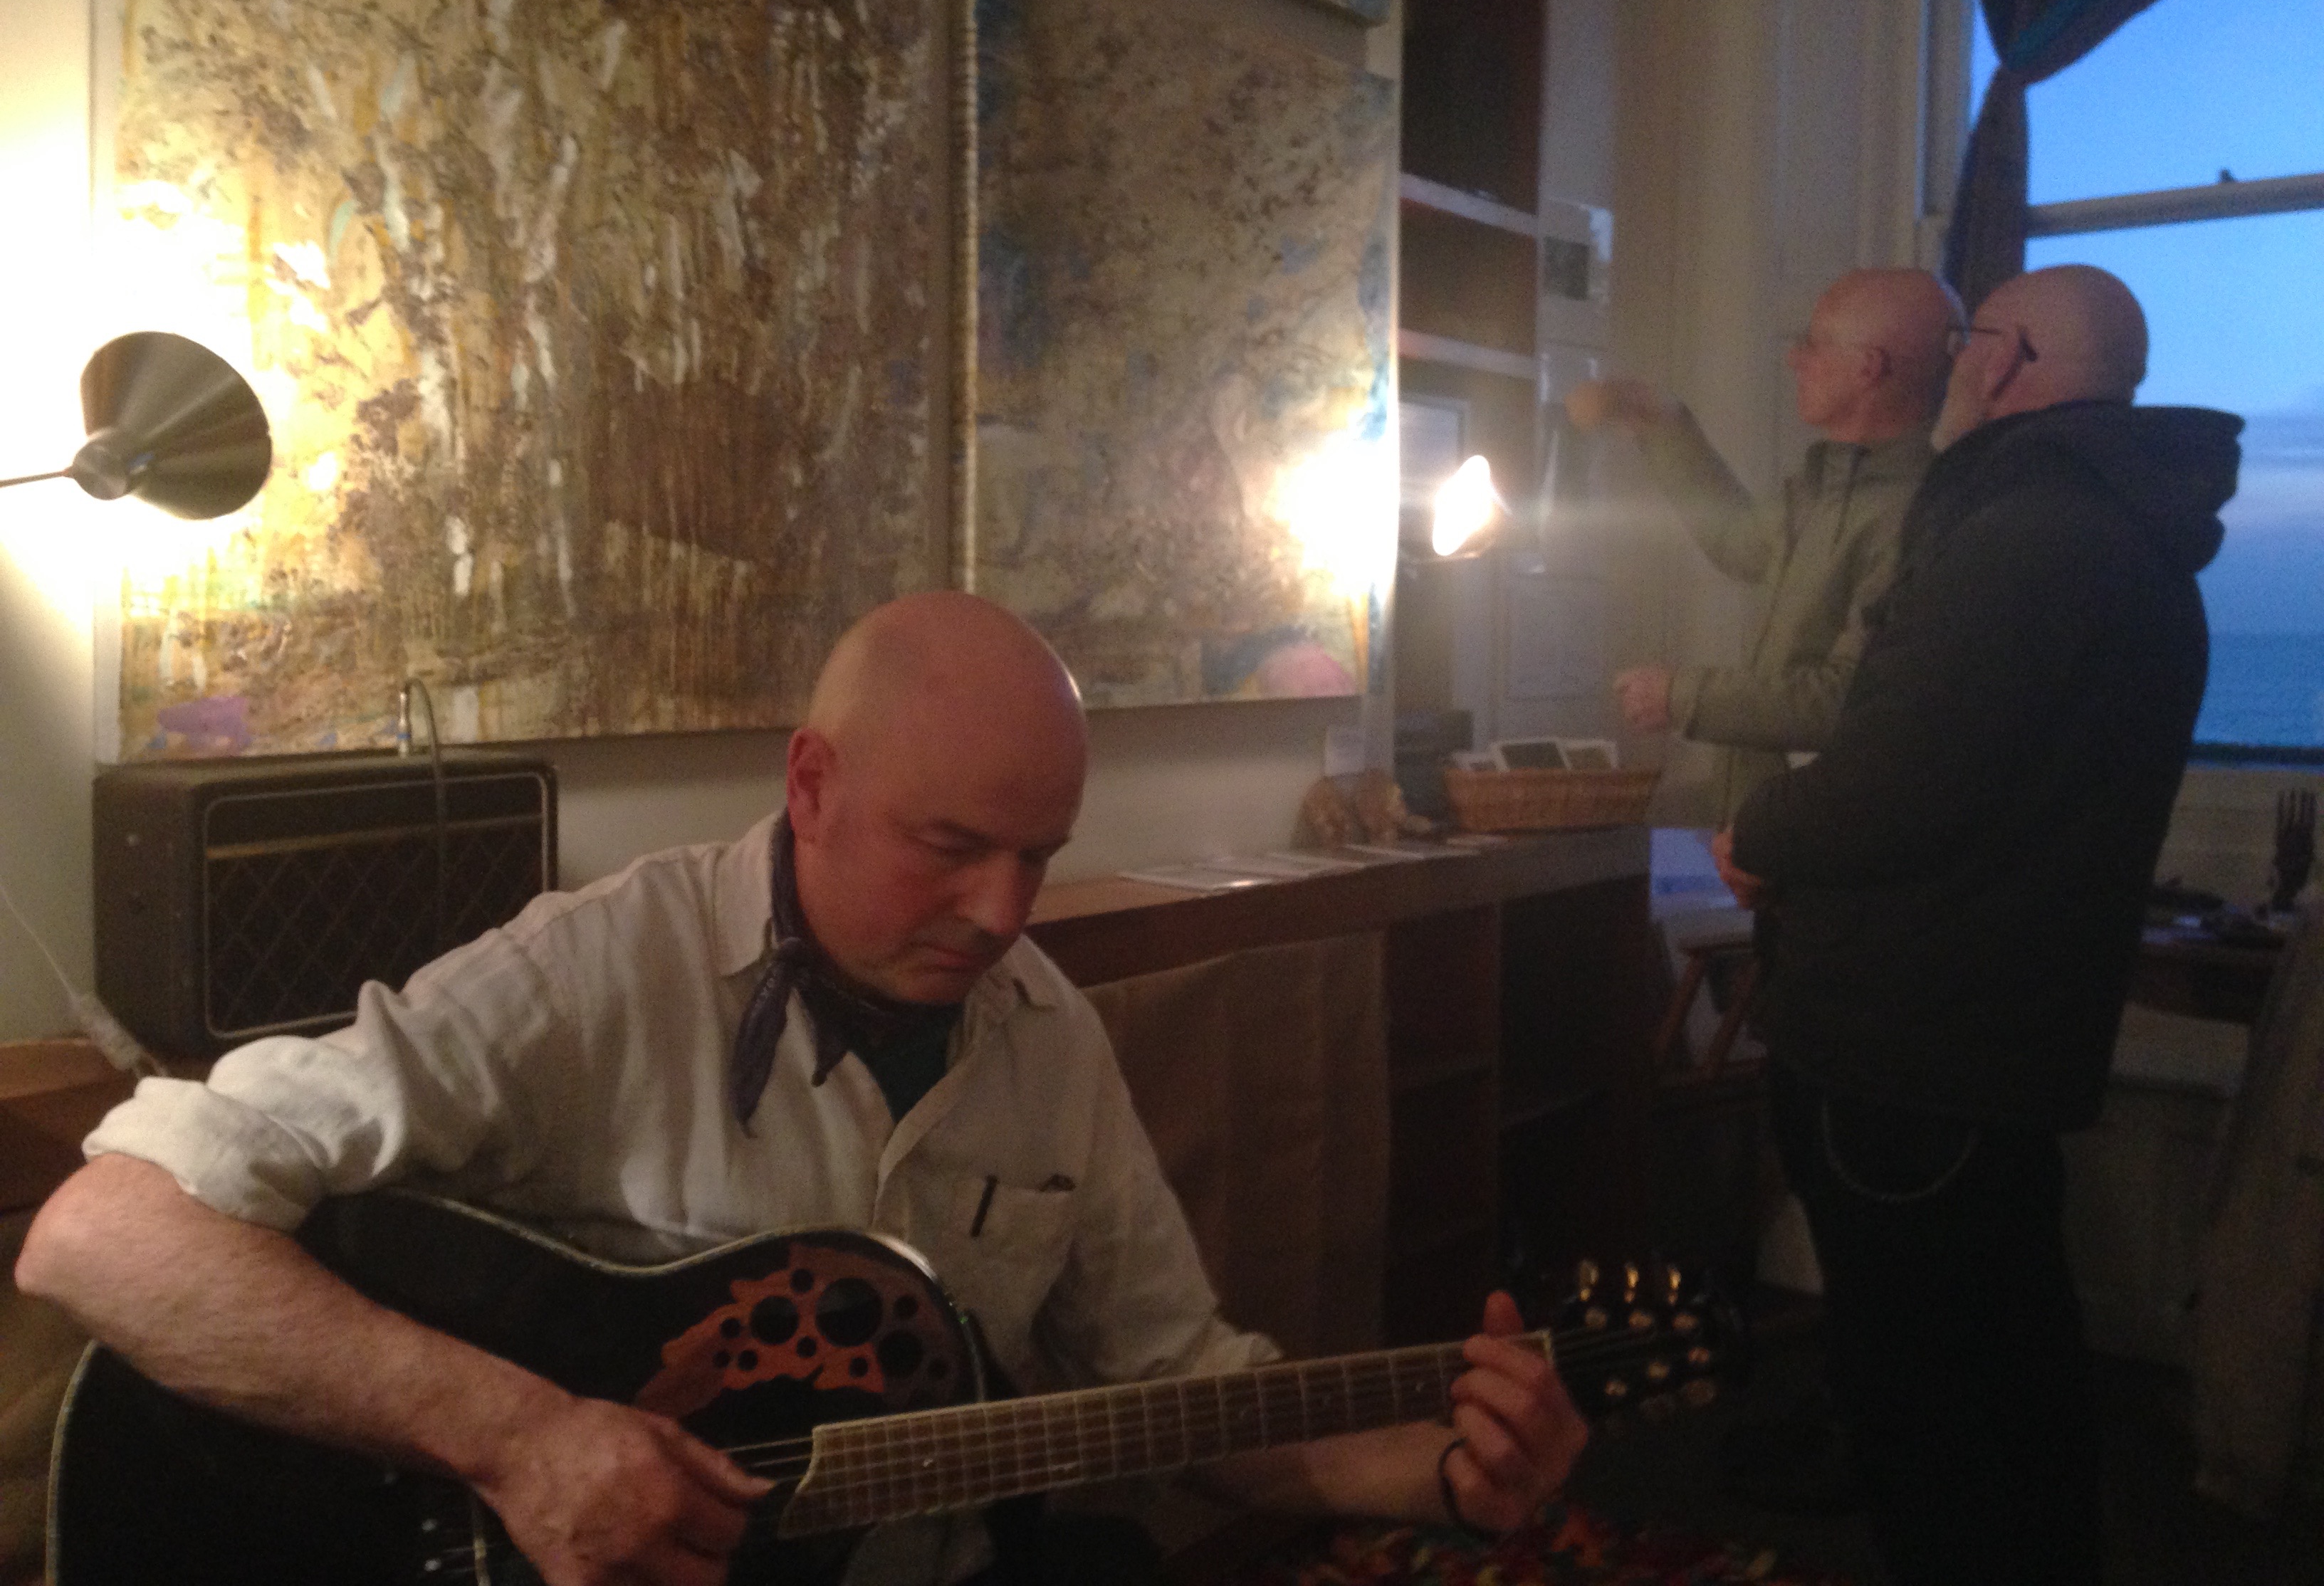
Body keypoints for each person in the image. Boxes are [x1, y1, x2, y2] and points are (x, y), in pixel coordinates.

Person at [18, 591, 1586, 1586]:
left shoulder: (1045, 1039)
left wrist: (1438, 1466)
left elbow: (1180, 1386)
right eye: (951, 847)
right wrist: (517, 1436)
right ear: (813, 784)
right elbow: (100, 1233)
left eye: (1037, 855)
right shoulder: (594, 974)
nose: (1005, 914)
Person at [1714, 265, 2241, 1585]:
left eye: (1968, 344)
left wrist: (1759, 831)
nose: (1954, 365)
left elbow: (1891, 785)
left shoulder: (2025, 539)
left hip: (1911, 1047)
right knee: (2003, 1366)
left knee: (1930, 1396)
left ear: (2005, 362)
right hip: (1989, 1036)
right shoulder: (2117, 529)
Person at [1566, 267, 1960, 823]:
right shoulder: (1827, 488)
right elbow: (1740, 540)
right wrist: (1661, 424)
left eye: (1814, 344)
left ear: (1867, 368)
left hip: (1829, 834)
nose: (1795, 359)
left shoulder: (1914, 514)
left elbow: (1848, 701)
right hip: (1778, 827)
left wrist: (1682, 696)